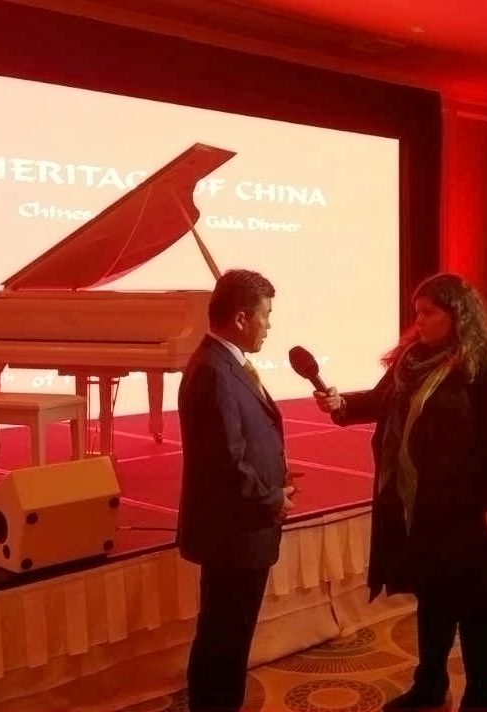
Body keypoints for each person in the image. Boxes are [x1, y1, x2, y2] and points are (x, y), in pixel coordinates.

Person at [313, 273, 487, 712]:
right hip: (423, 508)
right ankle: (430, 686)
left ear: (457, 314)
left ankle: (481, 697)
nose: (419, 320)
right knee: (434, 602)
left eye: (429, 312)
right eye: (417, 312)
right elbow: (381, 401)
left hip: (471, 509)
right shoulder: (411, 360)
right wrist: (342, 405)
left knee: (477, 608)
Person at [175, 269, 296, 712]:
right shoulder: (214, 371)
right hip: (233, 533)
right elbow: (226, 463)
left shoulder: (226, 363)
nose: (270, 325)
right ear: (242, 318)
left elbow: (243, 442)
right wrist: (272, 499)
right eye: (266, 315)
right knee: (224, 641)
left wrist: (277, 473)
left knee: (229, 637)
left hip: (241, 530)